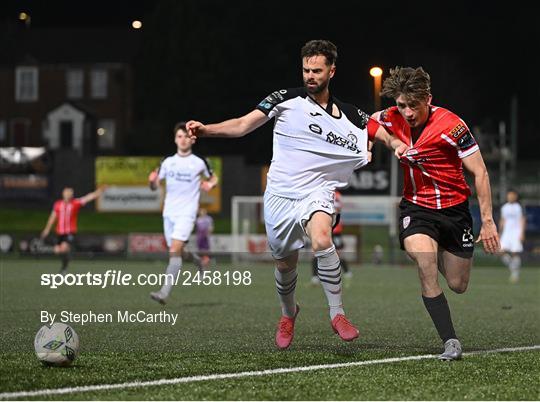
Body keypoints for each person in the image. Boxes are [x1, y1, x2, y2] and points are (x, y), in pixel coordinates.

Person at [186, 40, 408, 349]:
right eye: (306, 70)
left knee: (322, 239)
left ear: (332, 71)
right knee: (284, 264)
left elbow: (375, 129)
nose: (310, 76)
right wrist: (206, 130)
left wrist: (396, 144)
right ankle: (289, 314)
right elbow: (242, 125)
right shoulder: (283, 100)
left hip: (316, 190)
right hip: (280, 194)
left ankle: (337, 314)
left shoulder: (348, 114)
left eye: (317, 70)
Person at [373, 66, 500, 360]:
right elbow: (365, 122)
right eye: (402, 105)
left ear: (428, 99)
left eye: (413, 106)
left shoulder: (453, 126)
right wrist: (375, 144)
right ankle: (450, 341)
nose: (406, 112)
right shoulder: (390, 116)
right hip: (417, 207)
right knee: (426, 265)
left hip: (455, 211)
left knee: (458, 284)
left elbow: (479, 172)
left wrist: (489, 220)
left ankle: (438, 246)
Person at [148, 122, 218, 304]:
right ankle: (199, 262)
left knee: (174, 251)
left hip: (187, 213)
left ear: (192, 140)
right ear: (175, 139)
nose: (183, 140)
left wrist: (210, 184)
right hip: (169, 213)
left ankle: (163, 292)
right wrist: (152, 182)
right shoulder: (167, 162)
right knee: (179, 252)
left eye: (186, 136)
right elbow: (155, 185)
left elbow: (213, 177)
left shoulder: (199, 162)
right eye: (180, 136)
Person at [40, 186, 106, 273]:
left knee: (63, 248)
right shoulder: (58, 204)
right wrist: (47, 229)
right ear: (63, 194)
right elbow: (52, 217)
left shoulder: (75, 203)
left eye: (70, 193)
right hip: (59, 232)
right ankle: (66, 261)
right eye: (67, 192)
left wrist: (99, 192)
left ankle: (64, 268)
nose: (68, 194)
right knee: (57, 250)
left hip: (70, 232)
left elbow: (88, 197)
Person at [310, 190, 353, 287]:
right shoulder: (318, 192)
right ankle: (315, 277)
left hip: (335, 230)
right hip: (321, 229)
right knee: (315, 253)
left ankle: (347, 273)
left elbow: (338, 207)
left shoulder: (337, 195)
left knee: (338, 253)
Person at [499, 189, 526, 283]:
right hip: (506, 233)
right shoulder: (504, 207)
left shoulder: (519, 207)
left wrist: (522, 233)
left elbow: (522, 220)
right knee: (501, 251)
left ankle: (515, 274)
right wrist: (500, 233)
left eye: (512, 195)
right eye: (509, 195)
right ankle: (513, 268)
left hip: (516, 232)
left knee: (515, 253)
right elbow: (502, 220)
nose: (510, 197)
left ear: (516, 196)